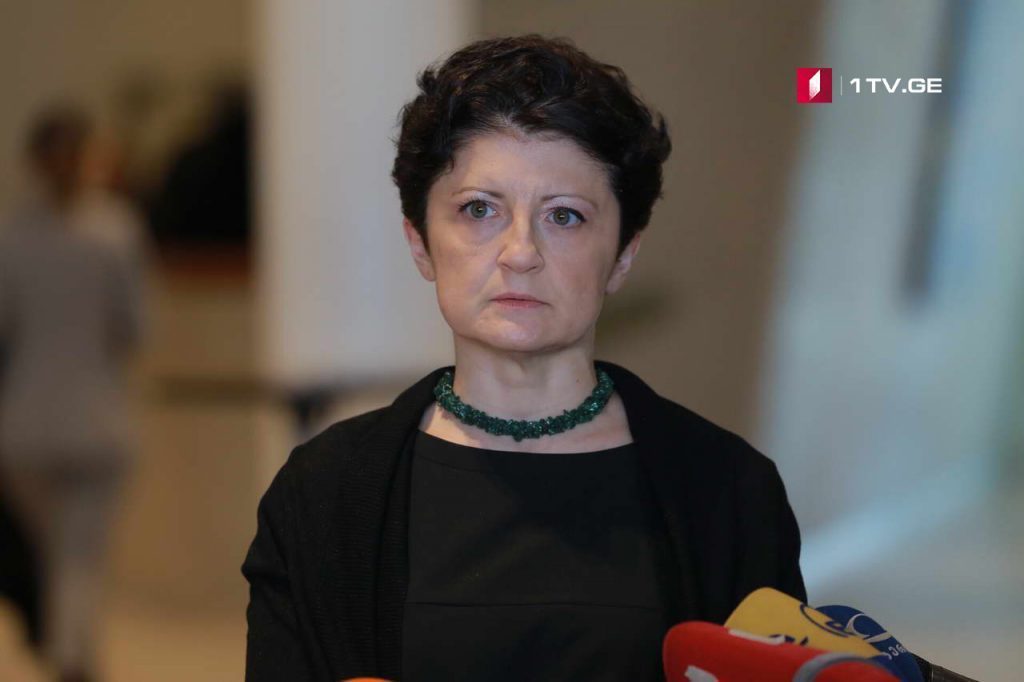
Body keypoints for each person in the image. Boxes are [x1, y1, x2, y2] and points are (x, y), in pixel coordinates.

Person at [242, 35, 805, 682]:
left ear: (623, 255)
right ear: (420, 243)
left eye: (564, 217)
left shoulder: (728, 490)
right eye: (479, 210)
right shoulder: (325, 492)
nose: (520, 252)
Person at [0, 105, 147, 682]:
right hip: (95, 420)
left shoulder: (13, 236)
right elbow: (135, 327)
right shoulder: (116, 230)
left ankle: (68, 651)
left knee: (56, 555)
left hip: (24, 423)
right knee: (79, 556)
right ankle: (71, 657)